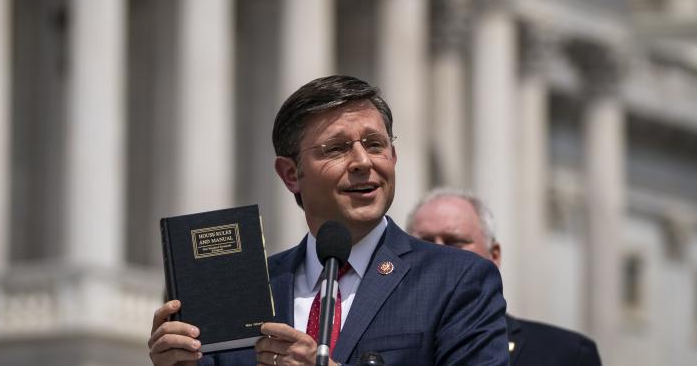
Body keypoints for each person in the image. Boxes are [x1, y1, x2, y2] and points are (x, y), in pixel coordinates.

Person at [149, 76, 508, 366]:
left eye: (375, 144)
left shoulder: (458, 280)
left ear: (393, 156)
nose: (363, 161)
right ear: (290, 174)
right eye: (336, 149)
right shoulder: (243, 291)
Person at [408, 187, 602, 366]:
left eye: (455, 242)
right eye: (424, 242)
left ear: (494, 256)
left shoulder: (567, 354)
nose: (438, 253)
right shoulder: (381, 342)